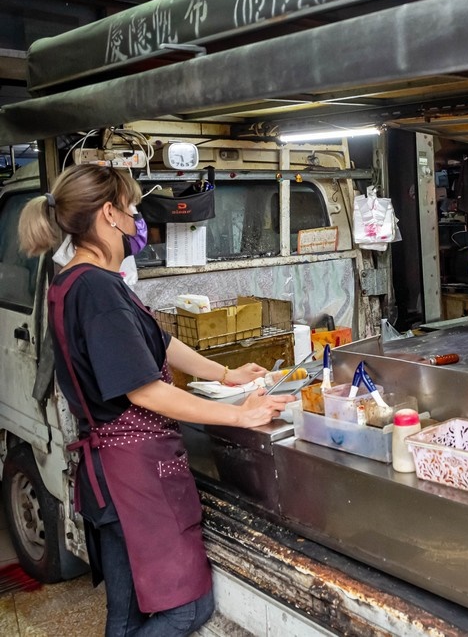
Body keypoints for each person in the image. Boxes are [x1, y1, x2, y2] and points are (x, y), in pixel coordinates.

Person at [18, 164, 294, 637]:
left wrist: (226, 373)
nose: (136, 220)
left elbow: (158, 341)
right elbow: (144, 389)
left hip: (111, 476)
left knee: (124, 616)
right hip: (133, 478)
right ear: (108, 213)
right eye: (130, 209)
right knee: (186, 610)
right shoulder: (98, 290)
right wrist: (239, 414)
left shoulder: (74, 280)